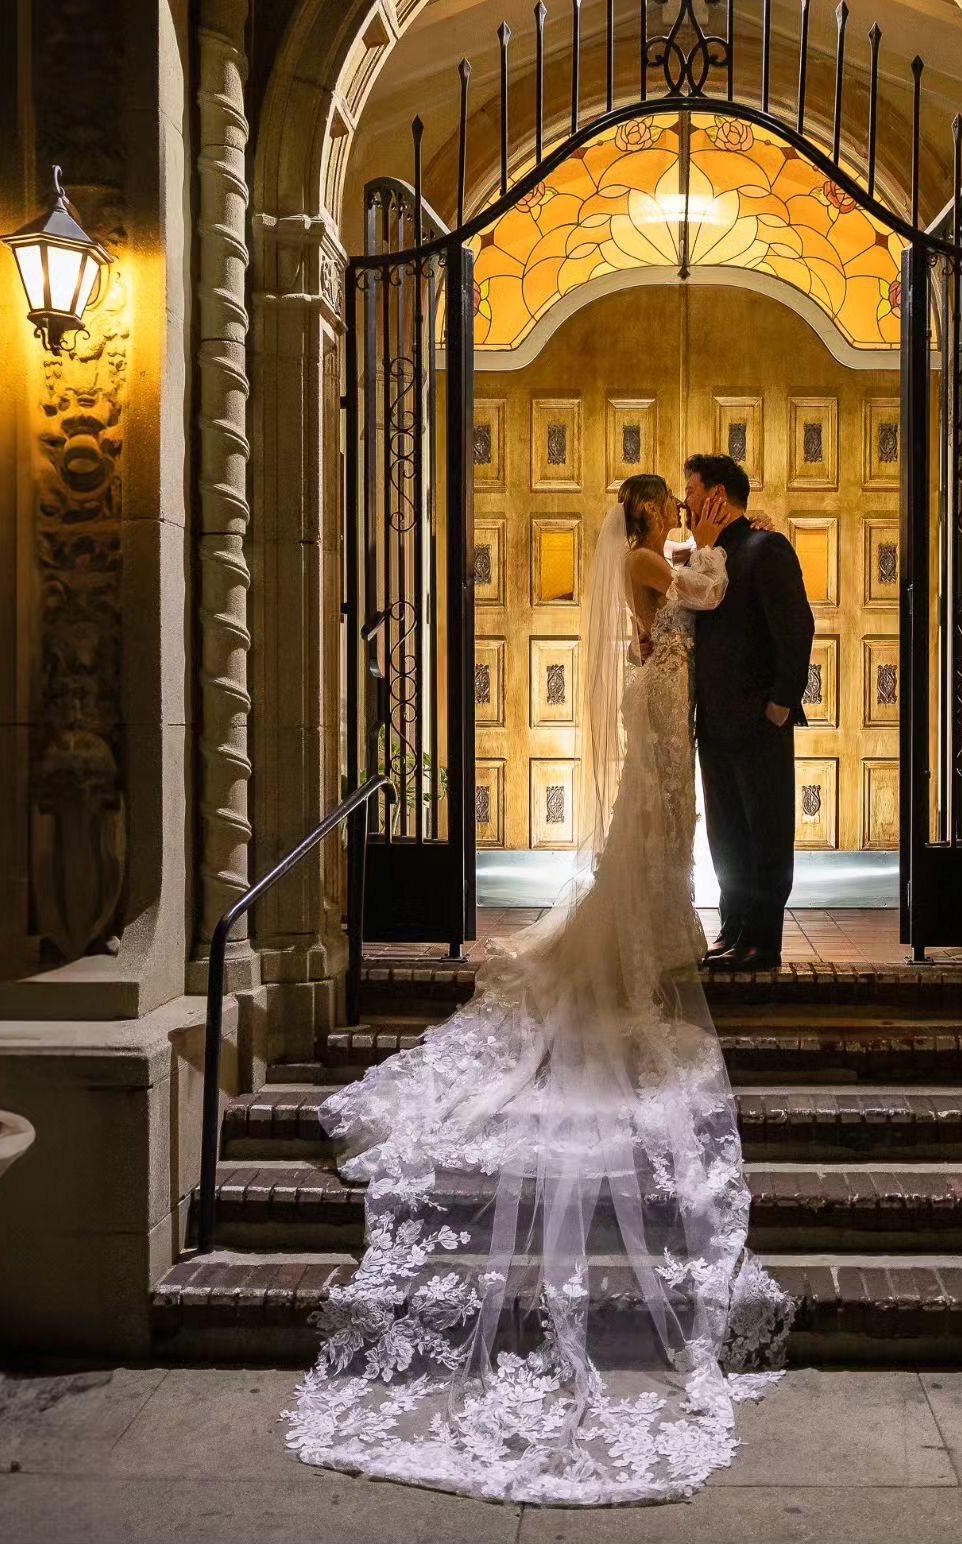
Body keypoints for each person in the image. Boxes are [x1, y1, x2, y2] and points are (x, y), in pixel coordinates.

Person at [285, 475, 791, 1506]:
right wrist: (730, 548)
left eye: (694, 501)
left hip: (669, 704)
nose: (679, 515)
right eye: (673, 504)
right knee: (651, 834)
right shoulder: (659, 563)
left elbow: (689, 610)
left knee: (662, 835)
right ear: (652, 514)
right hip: (662, 705)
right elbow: (695, 598)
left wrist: (728, 554)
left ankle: (667, 931)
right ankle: (642, 941)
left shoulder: (659, 559)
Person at [683, 454, 815, 972]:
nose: (685, 502)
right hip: (713, 725)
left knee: (766, 832)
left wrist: (781, 704)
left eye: (691, 490)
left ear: (717, 494)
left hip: (761, 722)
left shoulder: (767, 548)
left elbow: (796, 629)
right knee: (726, 833)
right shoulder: (706, 555)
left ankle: (765, 938)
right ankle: (734, 926)